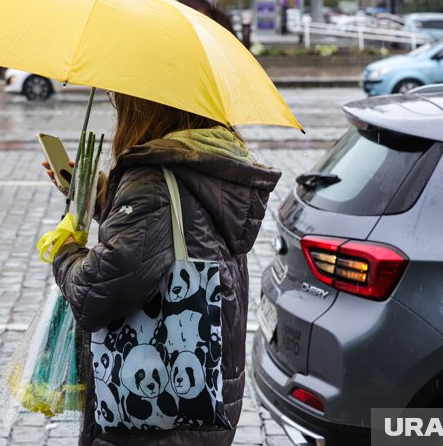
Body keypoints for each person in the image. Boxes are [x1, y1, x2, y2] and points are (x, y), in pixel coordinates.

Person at [43, 92, 281, 446]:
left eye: (119, 101)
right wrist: (104, 196)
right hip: (204, 395)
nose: (116, 109)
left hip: (153, 422)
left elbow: (95, 293)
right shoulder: (210, 161)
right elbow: (169, 228)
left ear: (143, 109)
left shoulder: (151, 179)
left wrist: (64, 252)